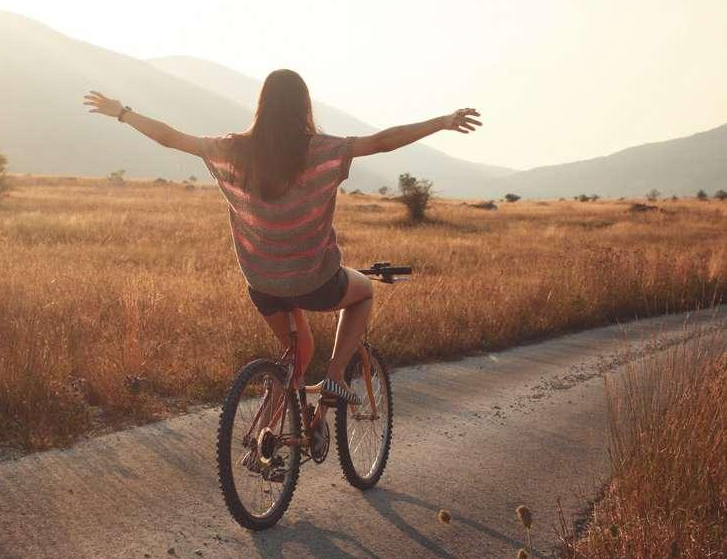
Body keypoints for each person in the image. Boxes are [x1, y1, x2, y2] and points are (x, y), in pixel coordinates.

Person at [83, 70, 481, 403]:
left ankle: (268, 435)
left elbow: (170, 137)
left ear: (262, 106)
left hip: (261, 284)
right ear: (304, 107)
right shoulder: (323, 150)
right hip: (315, 283)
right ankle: (337, 378)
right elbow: (381, 142)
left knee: (297, 354)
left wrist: (122, 112)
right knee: (363, 293)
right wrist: (440, 122)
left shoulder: (232, 150)